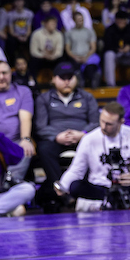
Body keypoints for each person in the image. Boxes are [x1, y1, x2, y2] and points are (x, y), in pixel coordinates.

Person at [57, 103, 130, 211]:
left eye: (109, 124)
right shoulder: (89, 139)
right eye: (102, 121)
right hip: (101, 187)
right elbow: (77, 169)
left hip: (128, 186)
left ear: (121, 122)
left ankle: (114, 201)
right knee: (75, 186)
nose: (103, 127)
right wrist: (62, 185)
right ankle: (115, 200)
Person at [34, 64, 100, 205]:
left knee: (94, 146)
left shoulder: (87, 97)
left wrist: (83, 134)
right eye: (62, 78)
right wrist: (57, 136)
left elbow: (96, 122)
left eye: (70, 78)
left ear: (75, 79)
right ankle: (63, 191)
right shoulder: (44, 99)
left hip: (82, 139)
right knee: (44, 149)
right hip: (55, 139)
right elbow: (40, 126)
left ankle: (88, 190)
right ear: (54, 79)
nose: (66, 81)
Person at [102, 8, 130, 86]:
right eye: (119, 21)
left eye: (123, 21)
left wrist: (129, 47)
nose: (121, 23)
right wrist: (117, 49)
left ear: (126, 21)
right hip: (116, 56)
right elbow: (107, 46)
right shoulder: (110, 30)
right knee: (108, 54)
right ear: (116, 20)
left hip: (128, 56)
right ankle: (111, 85)